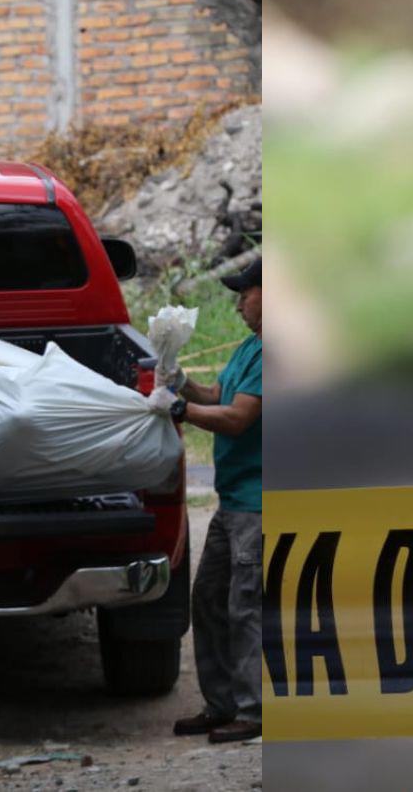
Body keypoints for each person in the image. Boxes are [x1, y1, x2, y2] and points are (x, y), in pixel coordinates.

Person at [151, 257, 262, 743]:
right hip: (233, 498)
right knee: (209, 598)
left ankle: (254, 710)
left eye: (246, 293)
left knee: (245, 605)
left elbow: (237, 418)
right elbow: (218, 393)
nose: (238, 304)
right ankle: (222, 704)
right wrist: (180, 381)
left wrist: (180, 409)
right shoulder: (249, 349)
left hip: (259, 504)